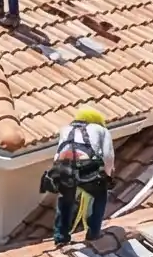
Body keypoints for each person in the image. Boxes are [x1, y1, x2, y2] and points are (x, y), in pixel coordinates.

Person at [48, 105, 114, 247]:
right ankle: (93, 232)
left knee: (65, 200)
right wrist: (107, 177)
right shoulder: (102, 130)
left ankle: (61, 237)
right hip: (86, 166)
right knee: (100, 195)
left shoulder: (66, 129)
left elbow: (57, 154)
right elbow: (108, 156)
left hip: (63, 166)